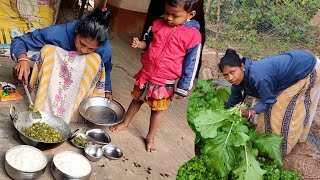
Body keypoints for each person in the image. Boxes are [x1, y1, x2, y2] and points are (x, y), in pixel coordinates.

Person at [109, 0, 202, 152]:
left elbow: (192, 63)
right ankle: (125, 123)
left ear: (190, 14)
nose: (169, 18)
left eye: (175, 15)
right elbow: (148, 42)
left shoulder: (193, 36)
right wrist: (139, 44)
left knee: (157, 111)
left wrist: (184, 87)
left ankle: (150, 137)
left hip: (165, 80)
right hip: (147, 74)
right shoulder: (158, 23)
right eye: (167, 13)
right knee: (136, 99)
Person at [10, 8, 113, 123]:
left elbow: (107, 69)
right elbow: (19, 41)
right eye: (82, 43)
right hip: (53, 77)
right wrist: (23, 59)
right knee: (49, 50)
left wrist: (107, 90)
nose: (83, 50)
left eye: (91, 48)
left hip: (77, 84)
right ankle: (42, 102)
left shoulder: (104, 48)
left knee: (96, 60)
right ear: (76, 31)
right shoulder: (57, 33)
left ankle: (74, 111)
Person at [218, 49, 320, 155]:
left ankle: (281, 148)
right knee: (265, 108)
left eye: (232, 72)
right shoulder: (238, 81)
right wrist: (224, 116)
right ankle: (269, 139)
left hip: (307, 68)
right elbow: (234, 100)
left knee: (283, 109)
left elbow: (268, 101)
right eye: (226, 75)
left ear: (242, 66)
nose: (230, 78)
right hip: (293, 65)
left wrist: (250, 112)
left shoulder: (259, 76)